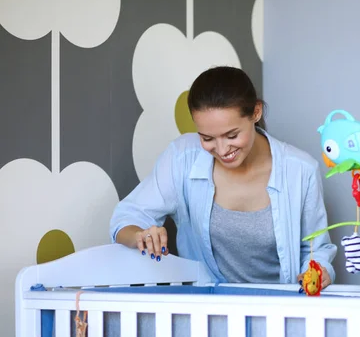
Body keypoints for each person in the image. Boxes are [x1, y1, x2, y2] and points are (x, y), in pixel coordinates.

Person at [109, 66, 337, 288]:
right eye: (207, 138)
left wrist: (318, 270)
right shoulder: (181, 158)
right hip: (208, 312)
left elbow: (315, 250)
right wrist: (141, 234)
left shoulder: (300, 170)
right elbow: (127, 218)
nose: (221, 149)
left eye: (232, 135)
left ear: (256, 112)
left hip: (278, 311)